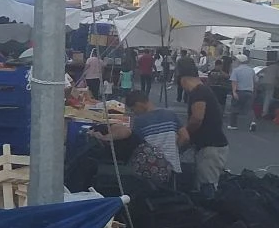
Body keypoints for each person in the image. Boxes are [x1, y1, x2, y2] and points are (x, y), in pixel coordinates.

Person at [101, 91, 183, 188]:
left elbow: (133, 142)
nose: (134, 113)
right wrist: (175, 150)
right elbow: (185, 137)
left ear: (138, 105)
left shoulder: (140, 121)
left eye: (133, 109)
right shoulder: (171, 115)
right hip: (174, 167)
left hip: (153, 169)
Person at [176, 60, 228, 195]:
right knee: (204, 183)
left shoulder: (198, 92)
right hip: (209, 145)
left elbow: (197, 118)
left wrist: (185, 133)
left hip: (211, 146)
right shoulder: (203, 89)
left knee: (207, 186)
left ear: (182, 80)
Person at [228, 56, 257, 131]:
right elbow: (255, 81)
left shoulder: (236, 70)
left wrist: (234, 92)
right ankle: (252, 122)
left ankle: (233, 125)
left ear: (239, 61)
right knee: (249, 109)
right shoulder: (251, 70)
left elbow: (234, 82)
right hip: (249, 92)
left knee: (234, 108)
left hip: (239, 91)